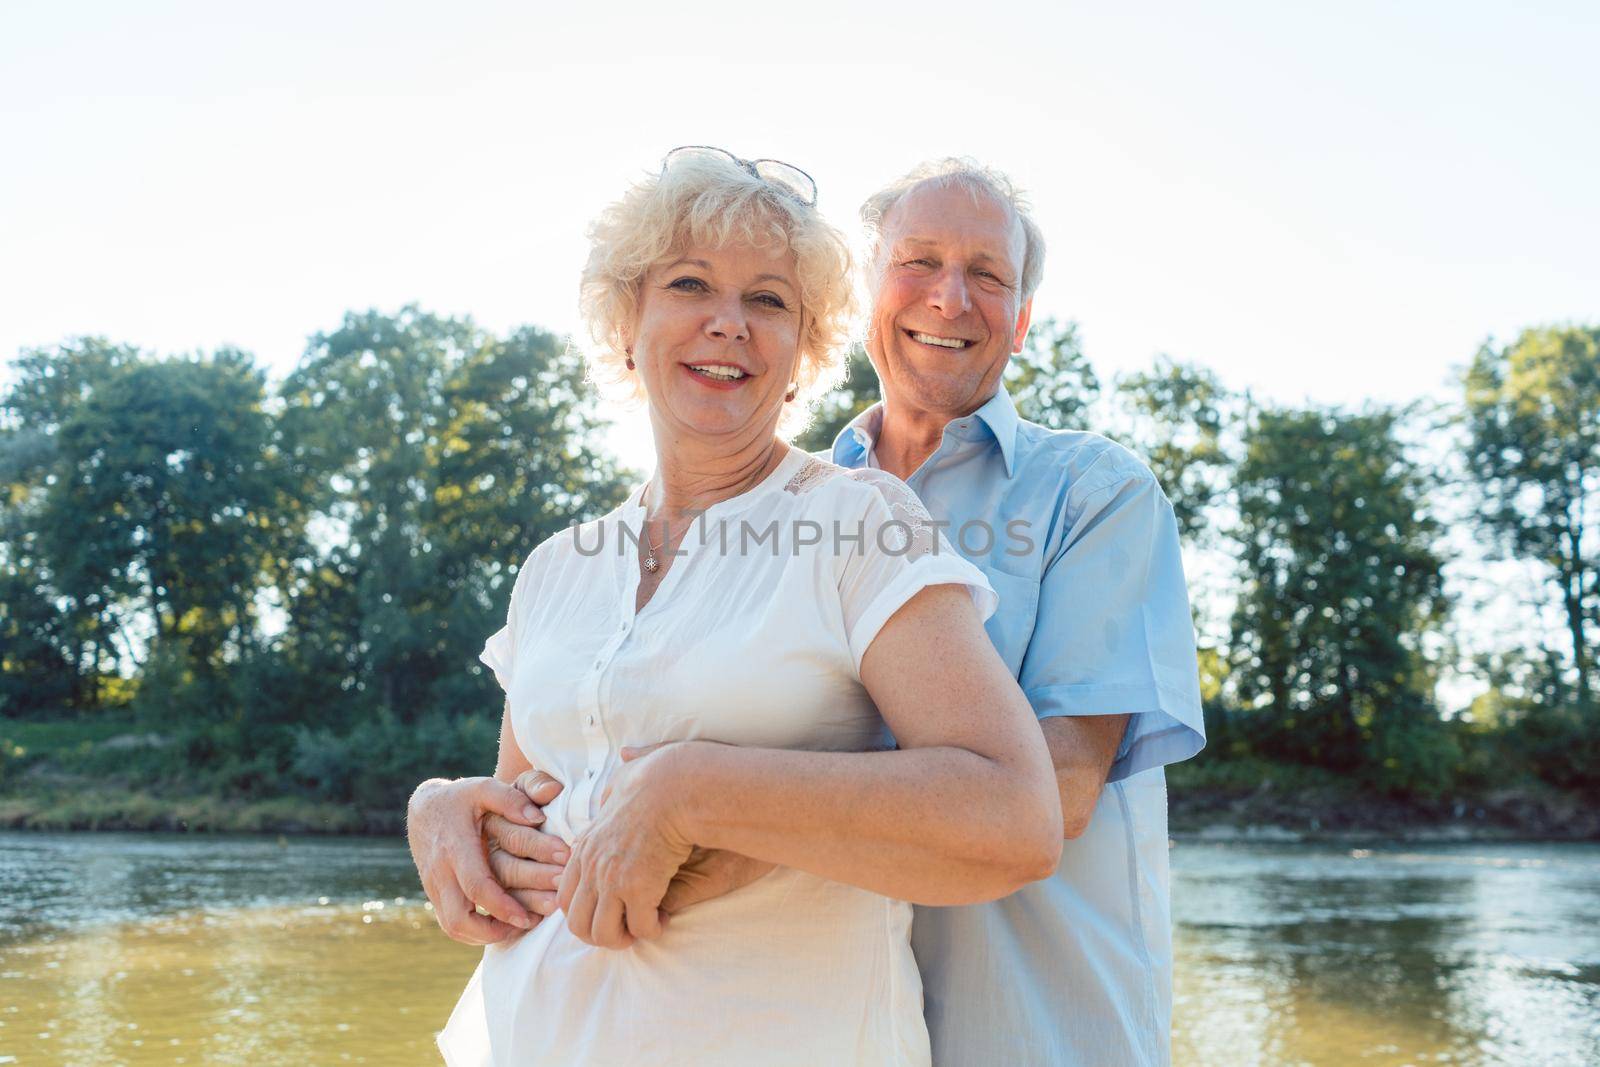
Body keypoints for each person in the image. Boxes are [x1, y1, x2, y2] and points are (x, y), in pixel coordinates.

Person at [423, 157, 1209, 1066]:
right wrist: (442, 806)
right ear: (868, 298)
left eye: (988, 275)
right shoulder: (594, 553)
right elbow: (548, 789)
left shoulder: (1081, 495)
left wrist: (704, 804)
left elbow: (1053, 791)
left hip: (1024, 1028)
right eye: (919, 263)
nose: (951, 298)